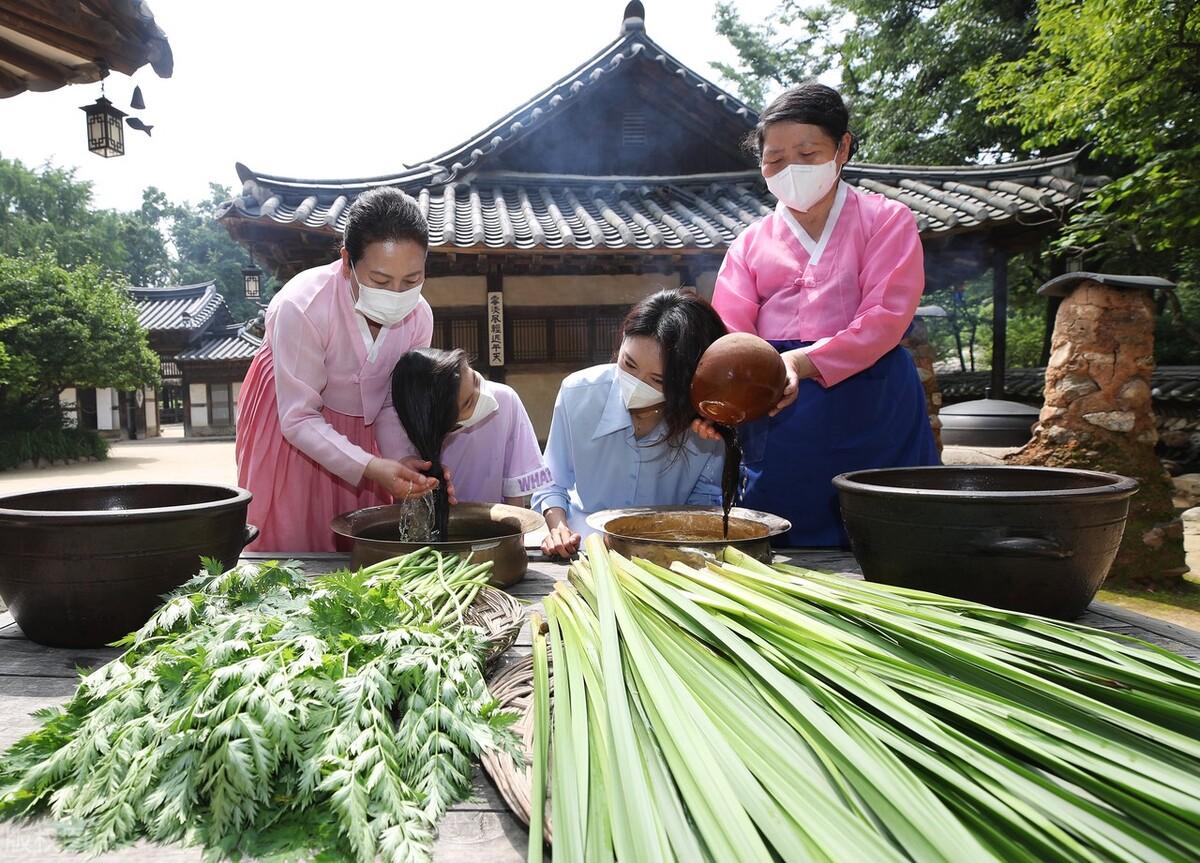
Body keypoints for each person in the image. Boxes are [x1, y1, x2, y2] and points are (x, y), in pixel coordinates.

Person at [704, 82, 940, 547]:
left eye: (808, 154)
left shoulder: (887, 220)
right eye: (774, 159)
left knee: (887, 527)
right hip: (775, 398)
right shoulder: (749, 243)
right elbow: (730, 332)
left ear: (843, 147)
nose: (789, 169)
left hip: (871, 390)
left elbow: (886, 317)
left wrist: (802, 362)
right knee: (781, 530)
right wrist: (737, 387)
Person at [235, 188, 446, 552]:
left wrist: (397, 460)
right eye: (381, 281)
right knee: (292, 543)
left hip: (365, 439)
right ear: (347, 261)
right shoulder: (302, 306)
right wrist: (369, 465)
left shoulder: (419, 317)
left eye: (411, 280)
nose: (397, 294)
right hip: (292, 430)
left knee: (359, 549)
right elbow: (298, 419)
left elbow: (391, 404)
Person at [533, 288, 728, 558]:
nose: (636, 385)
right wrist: (558, 528)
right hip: (586, 549)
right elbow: (551, 480)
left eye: (657, 380)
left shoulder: (705, 422)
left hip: (667, 554)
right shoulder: (577, 393)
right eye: (629, 364)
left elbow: (705, 499)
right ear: (622, 340)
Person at [375, 348, 552, 506]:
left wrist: (515, 537)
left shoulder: (506, 399)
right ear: (441, 422)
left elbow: (514, 490)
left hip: (493, 528)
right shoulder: (396, 425)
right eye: (468, 403)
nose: (481, 395)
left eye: (475, 379)